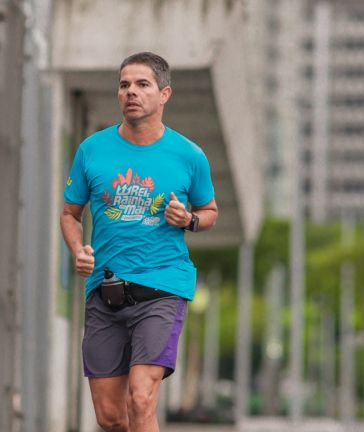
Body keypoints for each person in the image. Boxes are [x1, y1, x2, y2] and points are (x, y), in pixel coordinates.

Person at [60, 52, 218, 432]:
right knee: (110, 416)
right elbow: (70, 213)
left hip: (163, 287)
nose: (131, 92)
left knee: (141, 397)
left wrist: (190, 220)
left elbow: (210, 211)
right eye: (124, 84)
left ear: (164, 94)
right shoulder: (92, 150)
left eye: (142, 84)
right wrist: (79, 250)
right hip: (106, 289)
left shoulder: (189, 155)